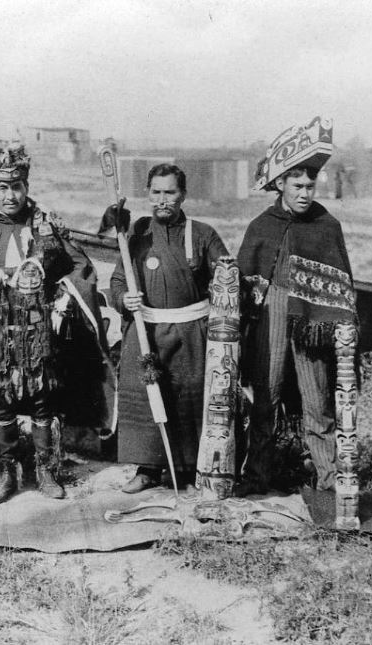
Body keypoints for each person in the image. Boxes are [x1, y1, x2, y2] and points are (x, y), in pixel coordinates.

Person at [0, 146, 111, 503]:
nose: (9, 195)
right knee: (2, 401)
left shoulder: (43, 224)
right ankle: (6, 472)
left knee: (43, 399)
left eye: (16, 187)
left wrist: (65, 296)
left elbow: (77, 266)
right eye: (1, 187)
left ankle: (45, 470)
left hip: (36, 327)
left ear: (26, 186)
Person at [236, 119, 357, 496]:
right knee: (265, 399)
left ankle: (328, 481)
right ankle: (258, 478)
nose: (305, 194)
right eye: (297, 186)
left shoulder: (326, 224)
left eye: (310, 186)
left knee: (317, 402)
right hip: (271, 313)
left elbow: (341, 285)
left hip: (312, 319)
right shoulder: (261, 225)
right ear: (280, 185)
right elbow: (245, 279)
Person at [110, 163, 229, 493]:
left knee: (187, 401)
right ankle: (147, 469)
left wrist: (227, 281)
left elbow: (227, 278)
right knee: (148, 399)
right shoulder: (136, 234)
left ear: (183, 195)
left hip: (190, 331)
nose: (163, 200)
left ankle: (188, 472)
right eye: (156, 192)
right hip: (146, 330)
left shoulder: (202, 234)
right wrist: (124, 299)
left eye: (170, 192)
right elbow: (118, 280)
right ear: (148, 193)